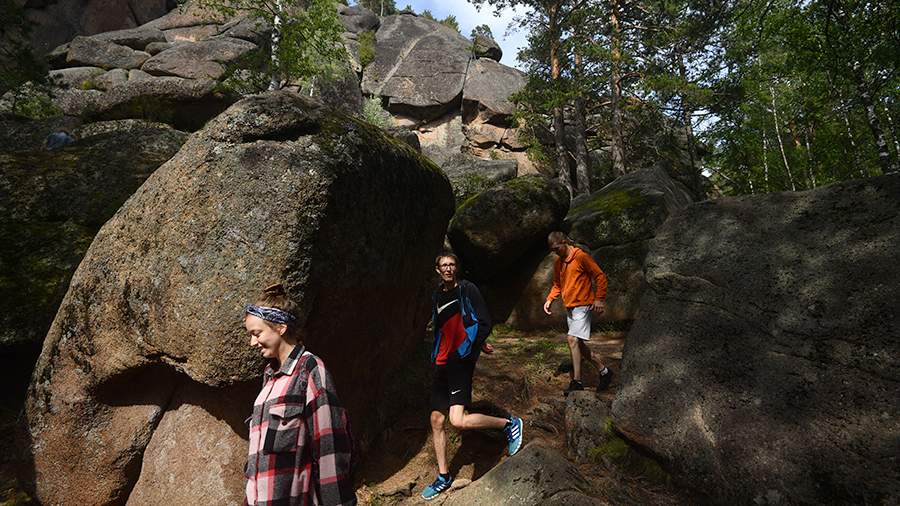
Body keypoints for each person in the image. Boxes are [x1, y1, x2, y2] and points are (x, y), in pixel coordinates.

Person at [421, 253, 524, 501]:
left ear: (456, 268)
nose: (448, 268)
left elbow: (485, 322)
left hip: (461, 361)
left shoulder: (467, 289)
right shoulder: (437, 295)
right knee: (436, 419)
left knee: (457, 421)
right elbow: (440, 327)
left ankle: (509, 424)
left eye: (451, 264)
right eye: (443, 265)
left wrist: (472, 348)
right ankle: (443, 476)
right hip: (442, 363)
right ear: (437, 270)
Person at [243, 283, 356, 506]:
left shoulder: (311, 370)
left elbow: (329, 448)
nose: (252, 342)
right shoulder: (269, 378)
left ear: (281, 328)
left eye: (256, 333)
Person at [542, 231, 613, 395]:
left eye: (557, 248)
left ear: (564, 242)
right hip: (570, 308)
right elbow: (557, 285)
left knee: (572, 339)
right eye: (552, 250)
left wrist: (599, 299)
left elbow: (600, 276)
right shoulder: (558, 263)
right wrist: (549, 299)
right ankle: (604, 372)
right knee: (578, 345)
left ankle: (577, 382)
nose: (555, 252)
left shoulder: (581, 257)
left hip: (583, 305)